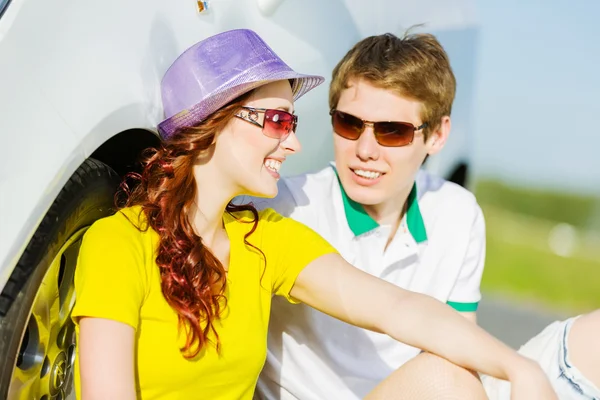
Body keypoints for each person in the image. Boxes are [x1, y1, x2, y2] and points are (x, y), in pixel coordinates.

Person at [71, 29, 556, 400]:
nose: (296, 143)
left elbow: (400, 309)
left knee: (450, 379)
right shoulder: (117, 243)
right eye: (278, 121)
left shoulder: (268, 239)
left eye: (295, 123)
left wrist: (519, 368)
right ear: (213, 122)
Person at [242, 32, 600, 400]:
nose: (364, 150)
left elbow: (461, 347)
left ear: (437, 135)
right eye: (349, 123)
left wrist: (525, 376)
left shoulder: (457, 212)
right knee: (444, 379)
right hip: (431, 386)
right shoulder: (285, 207)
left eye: (392, 132)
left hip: (423, 388)